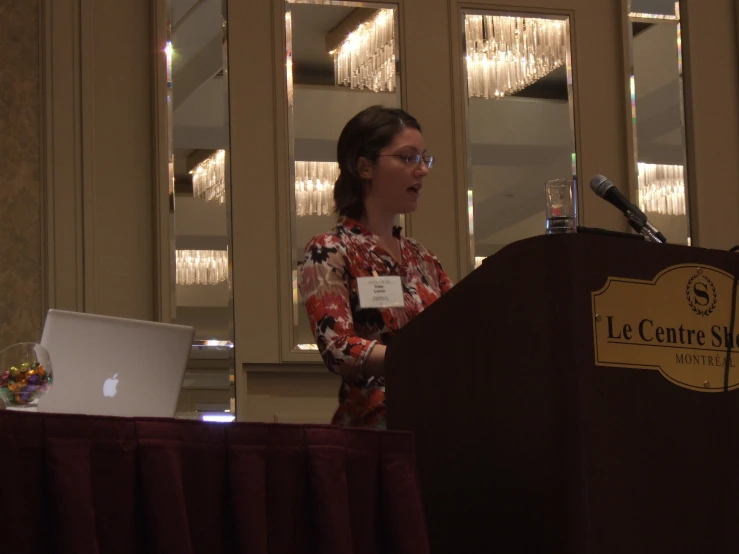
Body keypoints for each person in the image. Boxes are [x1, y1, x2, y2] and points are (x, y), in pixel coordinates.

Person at [298, 105, 453, 429]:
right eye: (408, 157)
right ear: (364, 167)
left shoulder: (423, 258)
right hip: (374, 434)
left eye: (425, 158)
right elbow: (338, 348)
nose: (422, 170)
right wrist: (416, 359)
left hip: (443, 422)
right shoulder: (330, 249)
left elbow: (462, 330)